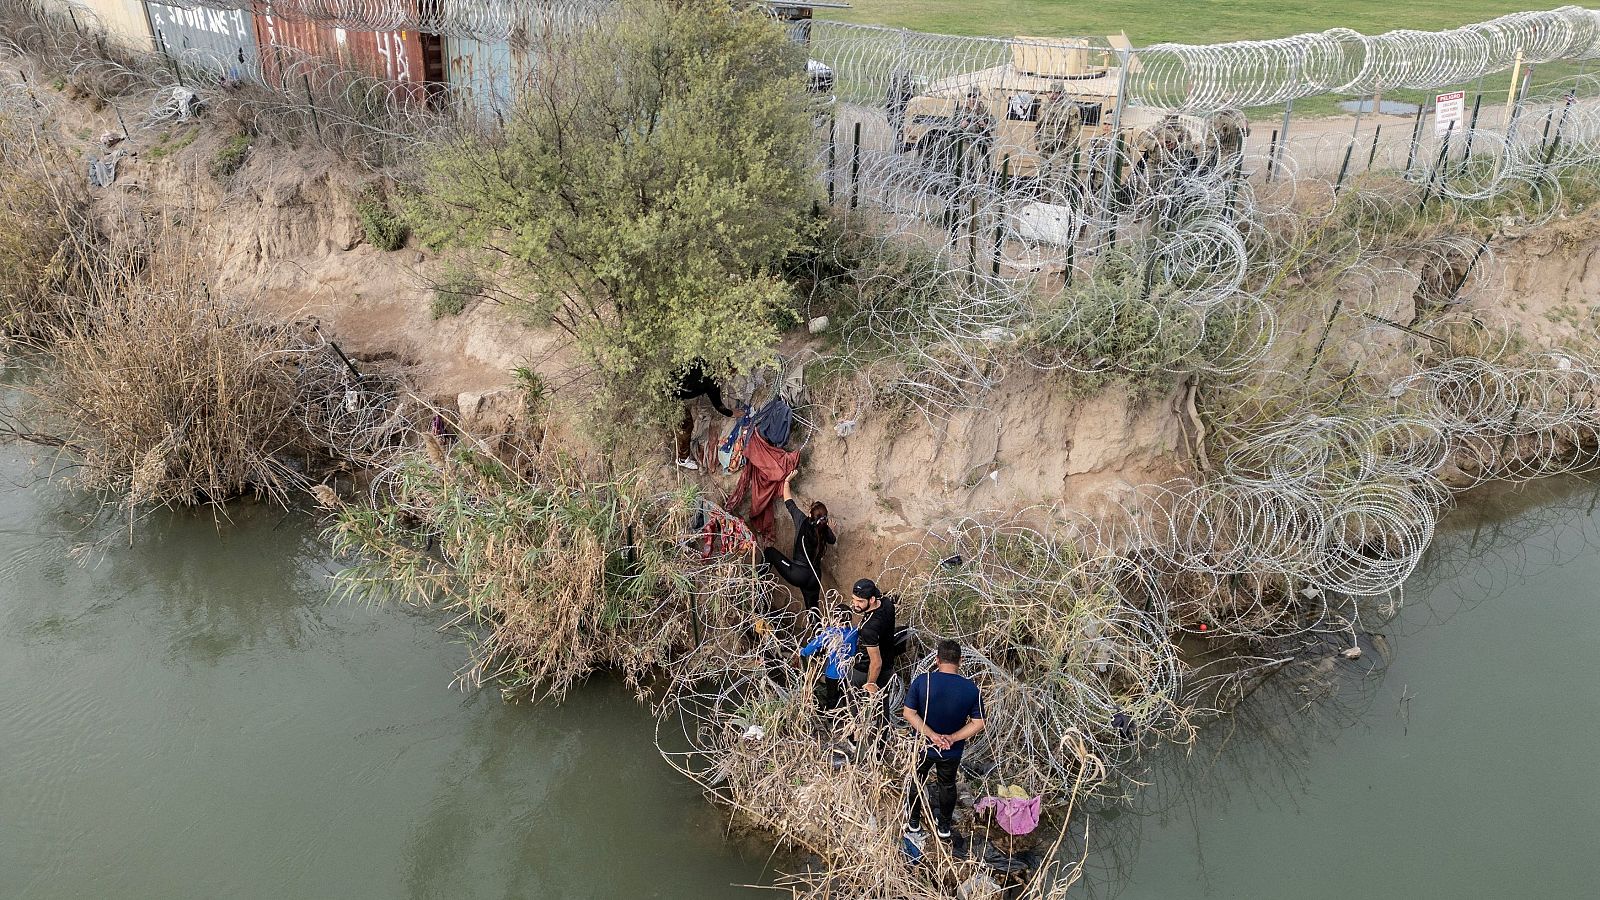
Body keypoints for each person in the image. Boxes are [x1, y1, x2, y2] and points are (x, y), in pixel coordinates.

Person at [902, 638, 986, 840]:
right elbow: (979, 722)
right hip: (951, 750)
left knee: (916, 780)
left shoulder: (923, 681)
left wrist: (931, 735)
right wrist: (952, 737)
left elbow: (908, 713)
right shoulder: (970, 689)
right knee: (947, 785)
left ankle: (913, 823)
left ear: (937, 660)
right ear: (961, 661)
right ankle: (944, 827)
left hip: (922, 746)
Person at [761, 471, 835, 615]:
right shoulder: (825, 530)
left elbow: (788, 502)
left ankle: (755, 581)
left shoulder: (802, 521)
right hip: (814, 577)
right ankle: (820, 636)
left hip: (798, 573)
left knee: (769, 552)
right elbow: (832, 540)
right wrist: (830, 529)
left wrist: (787, 481)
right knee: (813, 611)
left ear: (809, 514)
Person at [671, 360, 735, 470]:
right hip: (671, 394)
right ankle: (682, 459)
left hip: (672, 380)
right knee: (685, 426)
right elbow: (719, 406)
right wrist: (732, 413)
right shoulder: (712, 382)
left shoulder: (703, 361)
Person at [798, 612, 857, 711]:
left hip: (832, 673)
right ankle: (847, 713)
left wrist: (803, 652)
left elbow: (813, 646)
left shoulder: (830, 633)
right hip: (849, 672)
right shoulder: (854, 632)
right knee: (846, 695)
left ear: (835, 619)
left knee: (831, 696)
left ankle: (830, 716)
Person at [848, 578, 897, 694]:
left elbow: (876, 662)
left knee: (854, 703)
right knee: (882, 707)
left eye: (860, 601)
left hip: (866, 670)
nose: (855, 604)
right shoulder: (887, 603)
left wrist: (871, 683)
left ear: (872, 599)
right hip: (888, 665)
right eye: (853, 599)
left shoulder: (868, 628)